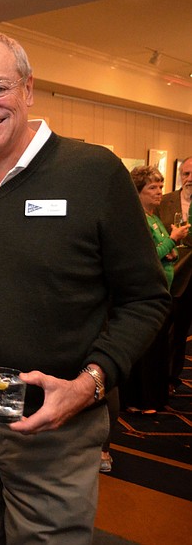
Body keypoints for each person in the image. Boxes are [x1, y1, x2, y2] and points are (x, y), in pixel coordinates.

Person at [0, 29, 171, 545]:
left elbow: (146, 299)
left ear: (28, 89)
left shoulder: (94, 173)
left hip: (56, 423)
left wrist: (89, 385)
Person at [121, 166, 188, 414]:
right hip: (145, 293)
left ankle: (151, 398)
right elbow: (147, 257)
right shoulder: (137, 218)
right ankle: (139, 399)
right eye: (152, 188)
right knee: (146, 350)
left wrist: (170, 249)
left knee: (159, 348)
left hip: (163, 290)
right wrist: (173, 240)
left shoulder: (154, 217)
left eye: (160, 187)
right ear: (138, 191)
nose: (159, 192)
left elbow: (162, 252)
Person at [158, 155, 192, 395]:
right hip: (170, 276)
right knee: (166, 332)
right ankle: (162, 379)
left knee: (182, 333)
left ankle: (173, 378)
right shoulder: (165, 201)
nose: (189, 179)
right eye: (186, 174)